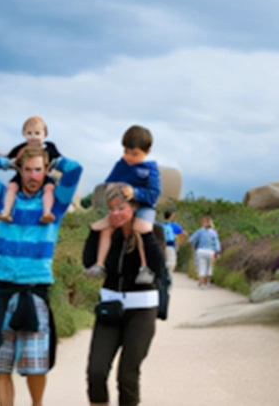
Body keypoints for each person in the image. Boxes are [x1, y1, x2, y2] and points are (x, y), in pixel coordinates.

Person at [0, 145, 83, 406]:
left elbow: (75, 170)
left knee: (36, 366)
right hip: (3, 289)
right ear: (20, 170)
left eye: (38, 170)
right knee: (1, 365)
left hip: (34, 290)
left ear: (45, 170)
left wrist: (54, 161)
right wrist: (6, 161)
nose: (32, 176)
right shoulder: (4, 199)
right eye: (27, 170)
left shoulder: (55, 206)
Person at [85, 184, 167, 406]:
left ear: (135, 207)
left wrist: (145, 233)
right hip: (110, 308)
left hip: (141, 311)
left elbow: (158, 269)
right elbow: (88, 262)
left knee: (127, 376)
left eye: (121, 207)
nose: (115, 214)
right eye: (111, 209)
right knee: (96, 373)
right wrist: (96, 230)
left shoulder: (153, 231)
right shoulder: (108, 235)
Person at [84, 125, 161, 283]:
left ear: (146, 152)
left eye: (134, 154)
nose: (129, 157)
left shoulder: (150, 169)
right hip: (120, 203)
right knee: (105, 228)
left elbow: (153, 194)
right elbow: (108, 184)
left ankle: (145, 267)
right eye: (126, 152)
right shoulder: (121, 165)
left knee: (142, 229)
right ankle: (99, 265)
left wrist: (135, 193)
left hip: (142, 204)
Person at [0, 116, 62, 224]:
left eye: (37, 133)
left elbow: (59, 158)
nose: (33, 137)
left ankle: (47, 213)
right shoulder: (22, 147)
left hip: (43, 175)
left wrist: (57, 167)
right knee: (12, 187)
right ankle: (6, 212)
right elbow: (10, 157)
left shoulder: (49, 146)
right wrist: (4, 157)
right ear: (24, 134)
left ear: (44, 134)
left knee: (49, 188)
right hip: (23, 175)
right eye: (29, 133)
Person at [187, 215, 221, 288]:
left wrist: (194, 245)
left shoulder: (200, 231)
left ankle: (202, 284)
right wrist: (217, 251)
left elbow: (190, 240)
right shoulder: (213, 232)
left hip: (201, 251)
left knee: (202, 267)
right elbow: (217, 244)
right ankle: (207, 282)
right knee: (209, 267)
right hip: (211, 252)